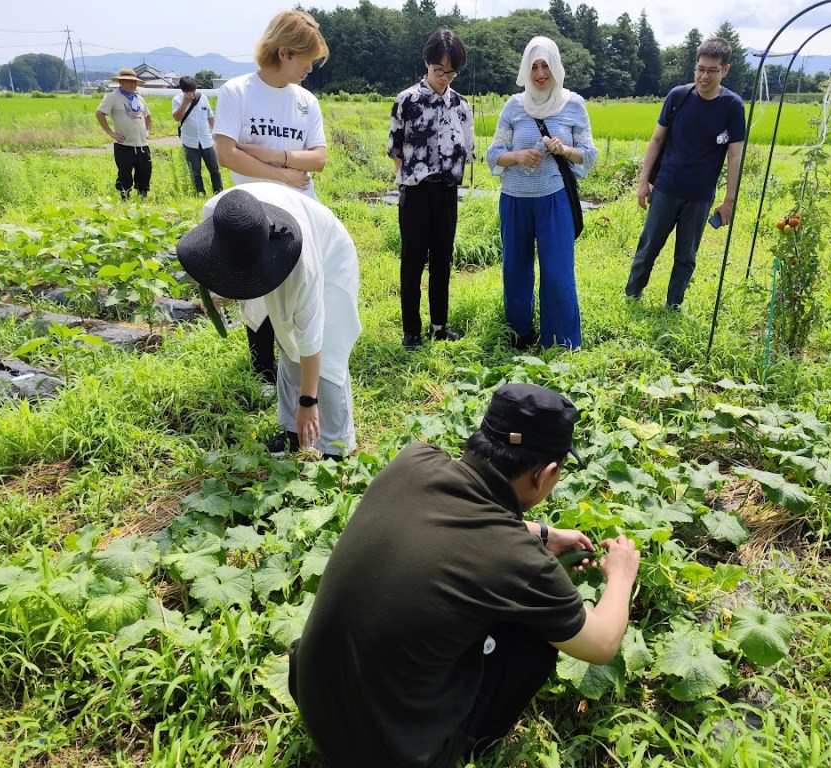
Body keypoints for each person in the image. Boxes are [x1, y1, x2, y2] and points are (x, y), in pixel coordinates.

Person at [291, 382, 641, 767]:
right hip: (388, 755)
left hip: (314, 701)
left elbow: (450, 523)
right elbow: (602, 643)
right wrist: (621, 575)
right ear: (545, 474)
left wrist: (544, 534)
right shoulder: (518, 559)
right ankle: (471, 745)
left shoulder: (414, 459)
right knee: (535, 639)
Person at [176, 184, 360, 458]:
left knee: (327, 354)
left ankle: (336, 447)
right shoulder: (219, 215)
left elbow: (312, 342)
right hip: (265, 253)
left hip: (329, 256)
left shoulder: (304, 266)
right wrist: (218, 289)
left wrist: (308, 401)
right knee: (286, 339)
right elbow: (214, 258)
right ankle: (292, 433)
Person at [213, 9, 330, 389]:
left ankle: (299, 366)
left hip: (301, 209)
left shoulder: (306, 101)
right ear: (284, 52)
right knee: (258, 291)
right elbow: (227, 154)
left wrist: (273, 155)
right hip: (255, 210)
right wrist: (284, 174)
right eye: (306, 59)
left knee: (301, 289)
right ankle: (264, 370)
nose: (310, 68)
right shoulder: (238, 92)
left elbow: (318, 159)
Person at [487, 37, 597, 351]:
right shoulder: (514, 105)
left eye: (545, 65)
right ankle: (519, 334)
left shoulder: (573, 104)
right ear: (526, 69)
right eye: (533, 66)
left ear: (556, 67)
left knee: (557, 272)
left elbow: (588, 154)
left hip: (554, 198)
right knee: (515, 270)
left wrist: (564, 150)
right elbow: (493, 154)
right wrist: (518, 156)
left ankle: (561, 342)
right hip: (514, 199)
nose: (540, 73)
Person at [624, 36, 746, 310]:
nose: (704, 76)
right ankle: (632, 295)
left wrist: (729, 200)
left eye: (712, 71)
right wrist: (643, 182)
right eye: (700, 69)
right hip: (666, 187)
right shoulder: (678, 96)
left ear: (725, 70)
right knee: (648, 247)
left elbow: (735, 155)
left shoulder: (732, 106)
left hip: (700, 195)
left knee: (686, 256)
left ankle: (673, 304)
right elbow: (656, 139)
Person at [387, 29, 475, 351]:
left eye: (451, 72)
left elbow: (467, 148)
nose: (444, 78)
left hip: (447, 193)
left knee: (442, 260)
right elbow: (396, 150)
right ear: (427, 63)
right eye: (439, 70)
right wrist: (413, 178)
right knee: (412, 262)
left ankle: (439, 325)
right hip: (416, 193)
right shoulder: (407, 101)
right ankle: (411, 331)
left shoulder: (461, 105)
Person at [96, 68, 153, 199]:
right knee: (125, 174)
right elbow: (99, 113)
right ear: (121, 82)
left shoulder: (139, 98)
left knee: (145, 172)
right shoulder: (113, 97)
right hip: (124, 144)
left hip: (142, 144)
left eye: (134, 82)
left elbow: (148, 116)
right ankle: (125, 198)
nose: (132, 84)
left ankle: (142, 198)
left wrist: (148, 131)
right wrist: (111, 133)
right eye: (128, 81)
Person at [172, 75, 223, 196]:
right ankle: (200, 194)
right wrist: (185, 103)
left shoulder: (203, 98)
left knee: (214, 169)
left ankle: (218, 192)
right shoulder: (177, 100)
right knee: (195, 171)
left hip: (206, 140)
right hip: (190, 142)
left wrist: (217, 132)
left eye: (193, 90)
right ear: (183, 90)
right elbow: (176, 118)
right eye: (189, 91)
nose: (192, 94)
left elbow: (210, 117)